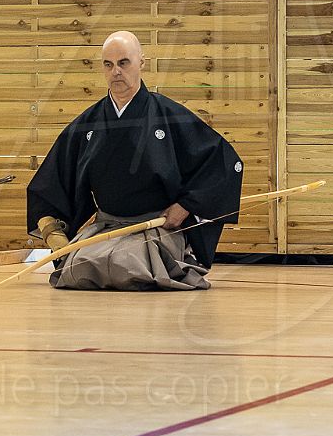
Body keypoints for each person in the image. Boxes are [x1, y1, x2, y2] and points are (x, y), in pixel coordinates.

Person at [25, 31, 244, 291]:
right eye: (108, 65)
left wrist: (186, 205)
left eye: (123, 63)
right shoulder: (89, 123)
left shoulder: (168, 115)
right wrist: (52, 229)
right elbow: (54, 177)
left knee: (126, 264)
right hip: (106, 227)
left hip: (155, 228)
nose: (116, 72)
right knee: (79, 267)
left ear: (141, 63)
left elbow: (223, 163)